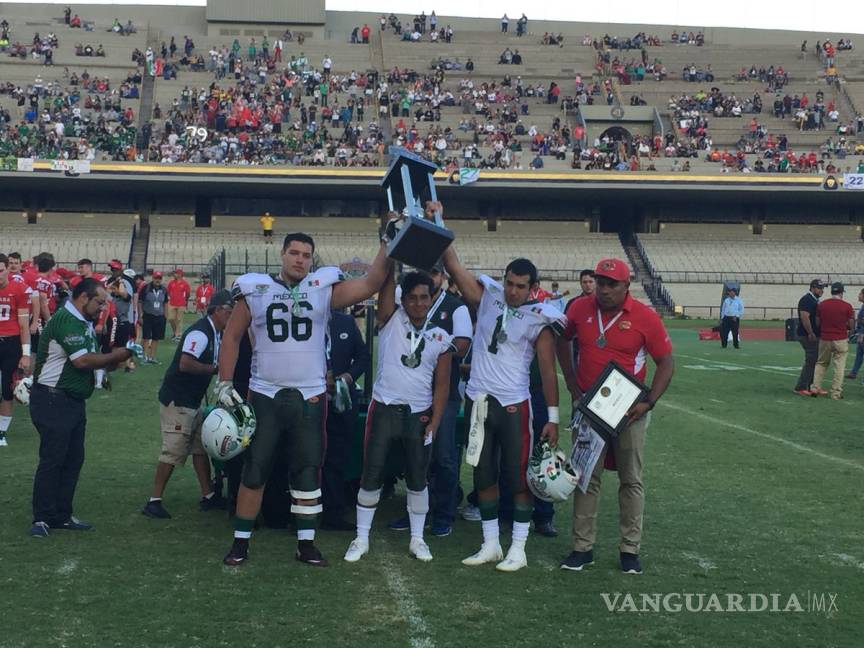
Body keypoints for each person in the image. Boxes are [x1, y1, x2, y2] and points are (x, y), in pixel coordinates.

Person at [215, 229, 391, 567]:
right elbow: (233, 336)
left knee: (309, 470)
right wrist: (224, 382)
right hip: (265, 391)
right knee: (255, 469)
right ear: (283, 254)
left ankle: (306, 543)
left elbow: (371, 283)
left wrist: (385, 245)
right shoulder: (255, 287)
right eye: (294, 253)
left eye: (306, 255)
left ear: (313, 260)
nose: (300, 260)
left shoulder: (323, 287)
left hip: (310, 393)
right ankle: (240, 542)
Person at [438, 201, 566, 572]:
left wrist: (554, 418)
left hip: (514, 405)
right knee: (482, 475)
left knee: (518, 476)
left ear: (533, 288)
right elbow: (453, 265)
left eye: (520, 286)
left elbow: (547, 370)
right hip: (480, 402)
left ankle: (519, 548)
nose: (511, 291)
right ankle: (491, 543)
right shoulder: (489, 296)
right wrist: (438, 218)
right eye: (509, 283)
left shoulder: (538, 319)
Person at [556, 258, 674, 575]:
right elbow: (562, 340)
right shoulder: (580, 308)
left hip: (628, 413)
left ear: (627, 285)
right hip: (589, 409)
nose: (604, 290)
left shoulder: (645, 317)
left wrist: (648, 402)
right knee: (584, 479)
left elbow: (666, 363)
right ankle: (582, 548)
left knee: (631, 480)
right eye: (601, 282)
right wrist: (571, 383)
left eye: (612, 284)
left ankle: (629, 549)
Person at [344, 270, 453, 563]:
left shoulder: (440, 335)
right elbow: (385, 286)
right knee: (372, 473)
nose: (418, 304)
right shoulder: (391, 319)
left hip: (419, 413)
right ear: (402, 300)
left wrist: (436, 419)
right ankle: (361, 537)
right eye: (412, 298)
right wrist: (392, 251)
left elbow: (442, 384)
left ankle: (417, 539)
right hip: (384, 408)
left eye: (424, 298)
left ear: (432, 299)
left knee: (418, 477)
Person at [29, 278, 136, 537]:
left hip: (70, 400)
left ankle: (61, 514)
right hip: (54, 399)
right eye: (99, 302)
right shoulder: (67, 321)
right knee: (54, 458)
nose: (102, 308)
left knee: (73, 458)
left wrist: (109, 366)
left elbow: (91, 357)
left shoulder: (80, 321)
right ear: (83, 298)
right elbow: (82, 360)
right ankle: (42, 517)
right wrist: (118, 355)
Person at [388, 262, 472, 536]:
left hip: (442, 392)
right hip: (411, 391)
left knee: (444, 455)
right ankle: (415, 513)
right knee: (415, 456)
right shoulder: (409, 304)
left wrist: (436, 348)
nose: (432, 277)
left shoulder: (455, 305)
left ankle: (444, 513)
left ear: (444, 277)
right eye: (428, 272)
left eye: (436, 272)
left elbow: (462, 344)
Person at [141, 290, 235, 519]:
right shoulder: (201, 333)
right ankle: (154, 500)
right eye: (229, 313)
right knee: (173, 450)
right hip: (179, 399)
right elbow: (185, 363)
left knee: (199, 448)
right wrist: (214, 370)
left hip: (191, 399)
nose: (232, 318)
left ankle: (209, 495)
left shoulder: (213, 332)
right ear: (218, 310)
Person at [321, 308, 370, 530]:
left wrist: (348, 377)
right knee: (307, 459)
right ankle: (302, 513)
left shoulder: (346, 322)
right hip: (312, 401)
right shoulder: (305, 320)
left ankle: (334, 513)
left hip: (342, 403)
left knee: (337, 459)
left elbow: (363, 357)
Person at [0, 254, 32, 447]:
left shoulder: (18, 289)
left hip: (10, 343)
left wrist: (26, 353)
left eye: (1, 270)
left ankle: (1, 431)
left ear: (7, 270)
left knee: (6, 389)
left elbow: (23, 324)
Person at [811, 282, 854, 400]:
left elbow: (818, 322)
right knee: (839, 366)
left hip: (825, 338)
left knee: (821, 363)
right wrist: (847, 328)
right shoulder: (847, 306)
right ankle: (835, 393)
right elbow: (851, 324)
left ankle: (815, 388)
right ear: (841, 292)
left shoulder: (822, 305)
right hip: (840, 338)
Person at [793, 279, 824, 396]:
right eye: (819, 288)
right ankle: (801, 387)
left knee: (814, 360)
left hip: (810, 334)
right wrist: (810, 332)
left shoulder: (814, 300)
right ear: (812, 288)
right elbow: (805, 317)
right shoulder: (807, 299)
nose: (822, 290)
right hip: (807, 335)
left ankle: (813, 386)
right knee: (811, 360)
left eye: (822, 288)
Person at [139, 271, 167, 364]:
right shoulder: (146, 288)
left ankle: (152, 357)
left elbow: (165, 302)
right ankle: (145, 357)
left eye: (159, 278)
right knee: (146, 337)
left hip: (159, 316)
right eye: (156, 278)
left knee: (156, 338)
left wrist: (165, 315)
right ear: (153, 278)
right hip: (148, 315)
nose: (158, 280)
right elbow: (140, 302)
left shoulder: (164, 290)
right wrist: (140, 315)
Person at [166, 269, 190, 341]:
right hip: (172, 303)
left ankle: (178, 335)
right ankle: (175, 332)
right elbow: (168, 291)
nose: (174, 275)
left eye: (176, 273)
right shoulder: (171, 283)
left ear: (180, 274)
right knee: (171, 318)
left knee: (179, 320)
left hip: (181, 303)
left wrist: (185, 301)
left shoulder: (185, 284)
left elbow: (187, 294)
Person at [845, 288, 864, 379]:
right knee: (859, 355)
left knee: (860, 353)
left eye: (860, 294)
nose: (858, 295)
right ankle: (853, 373)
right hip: (860, 333)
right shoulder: (863, 306)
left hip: (862, 334)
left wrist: (861, 333)